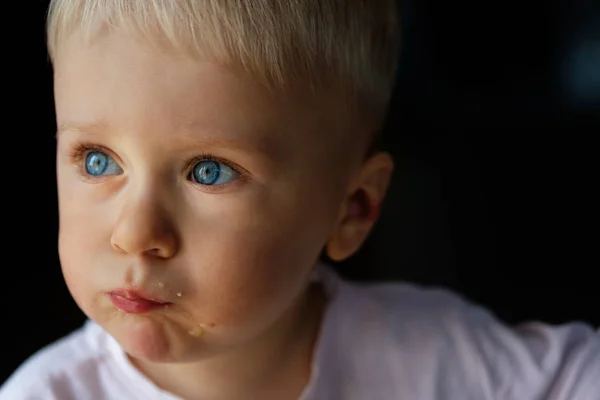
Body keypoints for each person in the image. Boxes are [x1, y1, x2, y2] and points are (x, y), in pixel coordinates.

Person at [1, 1, 599, 399]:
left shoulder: (425, 357)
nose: (134, 234)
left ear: (353, 209)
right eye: (97, 161)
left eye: (209, 171)